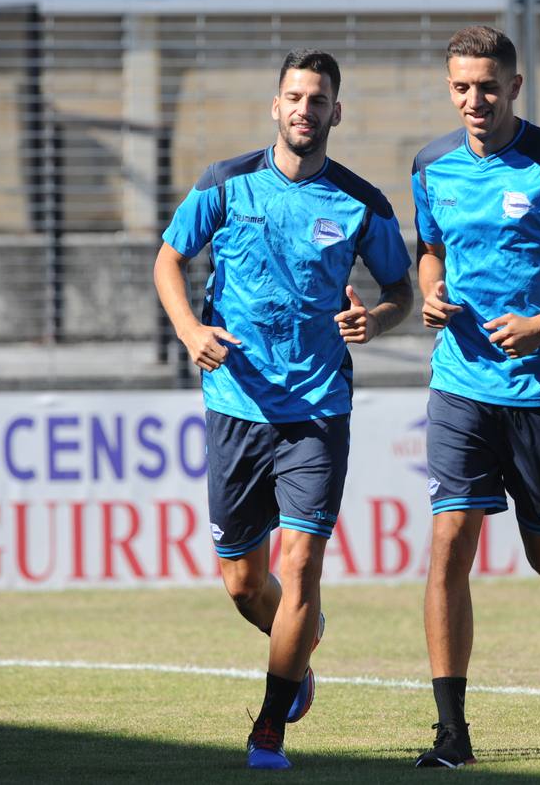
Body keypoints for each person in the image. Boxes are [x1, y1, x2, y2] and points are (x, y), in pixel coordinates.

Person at [154, 49, 413, 771]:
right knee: (243, 580)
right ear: (276, 106)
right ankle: (299, 643)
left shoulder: (362, 202)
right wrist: (189, 330)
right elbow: (169, 259)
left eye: (319, 99)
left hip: (318, 409)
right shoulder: (227, 184)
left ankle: (270, 725)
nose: (305, 109)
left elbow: (401, 290)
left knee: (301, 565)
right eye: (294, 97)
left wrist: (378, 320)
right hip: (237, 401)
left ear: (337, 112)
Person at [409, 25, 540, 768]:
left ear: (515, 86)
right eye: (461, 87)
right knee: (450, 543)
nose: (474, 100)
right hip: (460, 386)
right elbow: (430, 248)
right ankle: (452, 734)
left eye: (488, 86)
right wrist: (430, 294)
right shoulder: (431, 164)